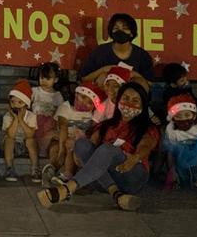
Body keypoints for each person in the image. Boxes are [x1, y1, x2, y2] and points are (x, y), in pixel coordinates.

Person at [39, 81, 152, 211]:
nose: (129, 104)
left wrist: (135, 158)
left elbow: (146, 145)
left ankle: (67, 189)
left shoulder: (148, 128)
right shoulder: (106, 125)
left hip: (131, 176)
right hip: (104, 179)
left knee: (108, 148)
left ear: (143, 104)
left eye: (135, 100)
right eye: (125, 98)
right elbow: (90, 147)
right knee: (81, 144)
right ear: (118, 101)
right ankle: (116, 194)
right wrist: (77, 152)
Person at [46, 81, 106, 185]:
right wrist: (61, 151)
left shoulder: (94, 114)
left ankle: (69, 175)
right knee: (56, 149)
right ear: (77, 94)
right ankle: (51, 172)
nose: (84, 103)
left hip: (81, 141)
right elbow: (63, 127)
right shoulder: (66, 107)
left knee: (73, 148)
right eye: (83, 97)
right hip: (62, 138)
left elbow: (93, 130)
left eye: (89, 102)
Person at [78, 13, 154, 86]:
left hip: (131, 92)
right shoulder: (100, 52)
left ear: (132, 33)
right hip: (103, 93)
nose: (120, 31)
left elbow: (150, 84)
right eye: (116, 28)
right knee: (103, 77)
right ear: (111, 32)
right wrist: (104, 70)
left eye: (125, 28)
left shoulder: (142, 55)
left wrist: (133, 74)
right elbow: (83, 78)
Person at [161, 93, 197, 191]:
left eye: (187, 115)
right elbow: (170, 150)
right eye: (179, 116)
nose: (184, 119)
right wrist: (171, 168)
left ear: (194, 115)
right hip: (181, 154)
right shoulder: (171, 129)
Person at [0, 80, 38, 183]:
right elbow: (11, 134)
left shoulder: (31, 116)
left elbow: (30, 134)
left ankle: (35, 168)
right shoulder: (8, 116)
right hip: (13, 146)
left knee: (31, 140)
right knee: (9, 140)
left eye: (20, 102)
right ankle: (9, 168)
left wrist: (21, 119)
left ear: (26, 104)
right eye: (12, 102)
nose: (16, 105)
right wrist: (15, 119)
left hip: (26, 145)